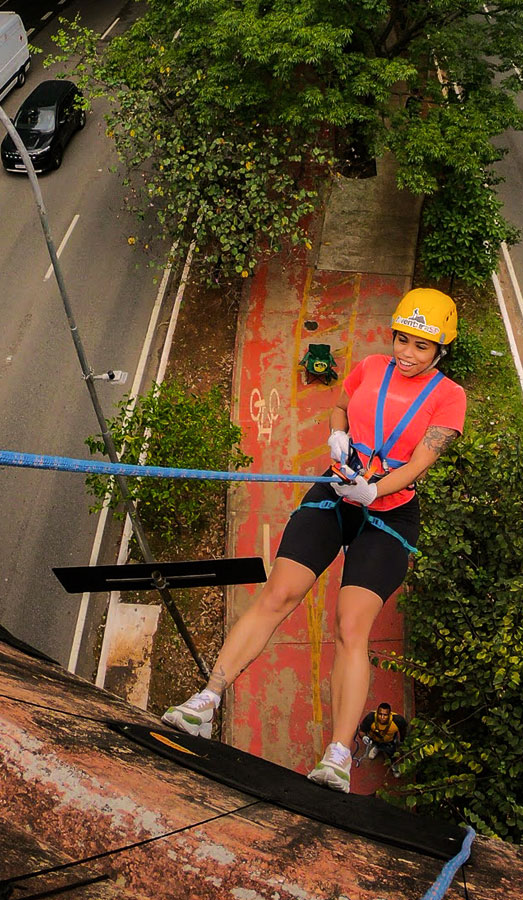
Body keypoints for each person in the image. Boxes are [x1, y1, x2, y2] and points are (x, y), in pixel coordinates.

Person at [160, 288, 466, 793]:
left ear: (439, 352)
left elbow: (419, 462)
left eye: (422, 347)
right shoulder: (370, 366)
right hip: (335, 491)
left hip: (388, 515)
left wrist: (374, 489)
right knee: (278, 594)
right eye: (403, 340)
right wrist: (337, 437)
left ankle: (339, 754)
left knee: (351, 627)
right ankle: (206, 701)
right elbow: (341, 408)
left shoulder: (449, 396)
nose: (408, 354)